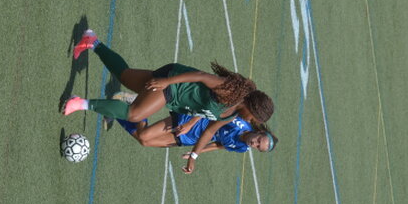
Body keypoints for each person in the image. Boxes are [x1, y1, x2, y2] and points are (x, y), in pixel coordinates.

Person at [61, 29, 274, 127]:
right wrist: (167, 82)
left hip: (174, 92)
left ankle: (92, 41)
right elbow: (200, 76)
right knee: (134, 114)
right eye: (253, 119)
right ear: (253, 108)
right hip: (173, 84)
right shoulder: (230, 90)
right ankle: (79, 103)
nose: (249, 122)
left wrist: (189, 124)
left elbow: (205, 111)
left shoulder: (230, 115)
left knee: (125, 76)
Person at [115, 111, 277, 172]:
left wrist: (196, 152)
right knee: (144, 136)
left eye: (258, 147)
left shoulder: (242, 148)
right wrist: (189, 123)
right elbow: (213, 111)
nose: (254, 144)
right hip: (188, 123)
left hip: (192, 138)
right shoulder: (239, 122)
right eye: (258, 140)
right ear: (259, 132)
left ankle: (118, 112)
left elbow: (219, 145)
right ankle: (137, 107)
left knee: (145, 141)